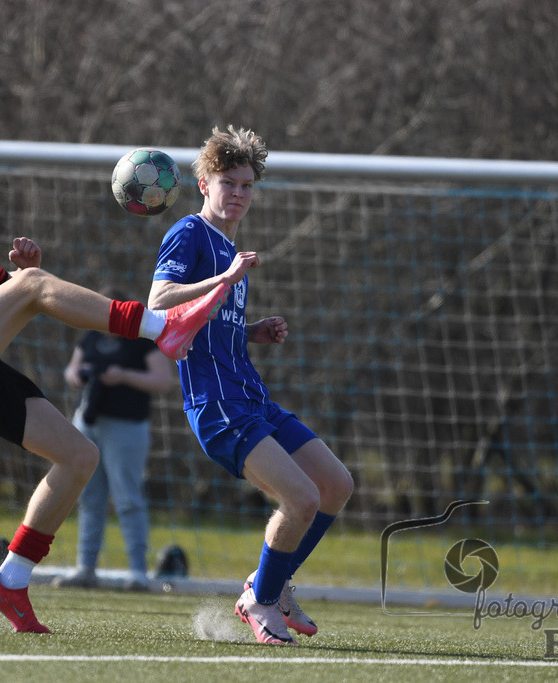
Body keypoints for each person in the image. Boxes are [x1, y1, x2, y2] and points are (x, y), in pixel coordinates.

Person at [0, 131, 229, 633]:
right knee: (34, 287)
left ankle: (10, 579)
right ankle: (161, 327)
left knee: (80, 456)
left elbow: (13, 292)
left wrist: (24, 272)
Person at [148, 125, 354, 645]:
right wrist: (224, 279)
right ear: (203, 184)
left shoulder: (230, 248)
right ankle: (261, 598)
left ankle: (275, 584)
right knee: (302, 497)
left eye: (246, 185)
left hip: (252, 398)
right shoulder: (190, 235)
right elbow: (160, 302)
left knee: (336, 485)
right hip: (218, 407)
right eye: (227, 183)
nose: (237, 193)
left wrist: (251, 331)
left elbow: (207, 324)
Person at [54, 290, 173, 591]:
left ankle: (137, 574)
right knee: (89, 498)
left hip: (127, 429)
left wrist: (123, 376)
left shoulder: (142, 340)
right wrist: (80, 375)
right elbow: (70, 371)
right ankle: (86, 570)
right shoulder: (92, 337)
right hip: (88, 423)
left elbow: (163, 380)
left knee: (127, 498)